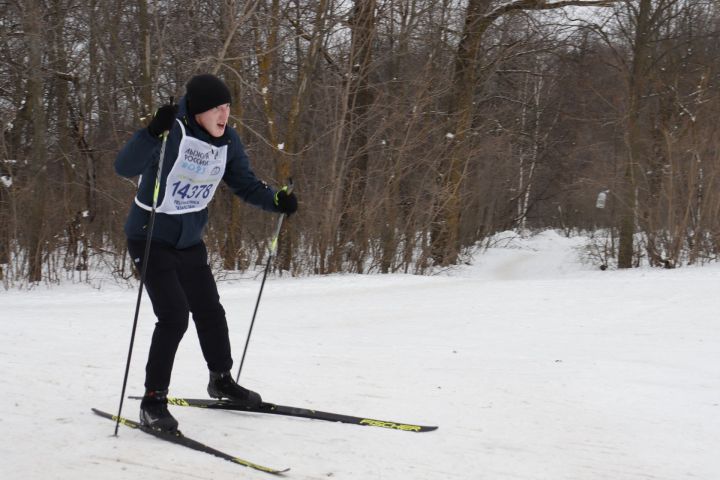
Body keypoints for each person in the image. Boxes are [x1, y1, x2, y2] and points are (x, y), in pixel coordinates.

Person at [115, 73, 298, 432]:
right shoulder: (171, 132)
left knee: (210, 311)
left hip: (189, 241)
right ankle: (154, 401)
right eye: (217, 108)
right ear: (199, 111)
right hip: (150, 237)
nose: (224, 115)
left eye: (228, 107)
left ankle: (221, 380)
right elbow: (125, 167)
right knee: (174, 316)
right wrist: (151, 132)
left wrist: (276, 200)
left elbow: (244, 183)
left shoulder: (227, 139)